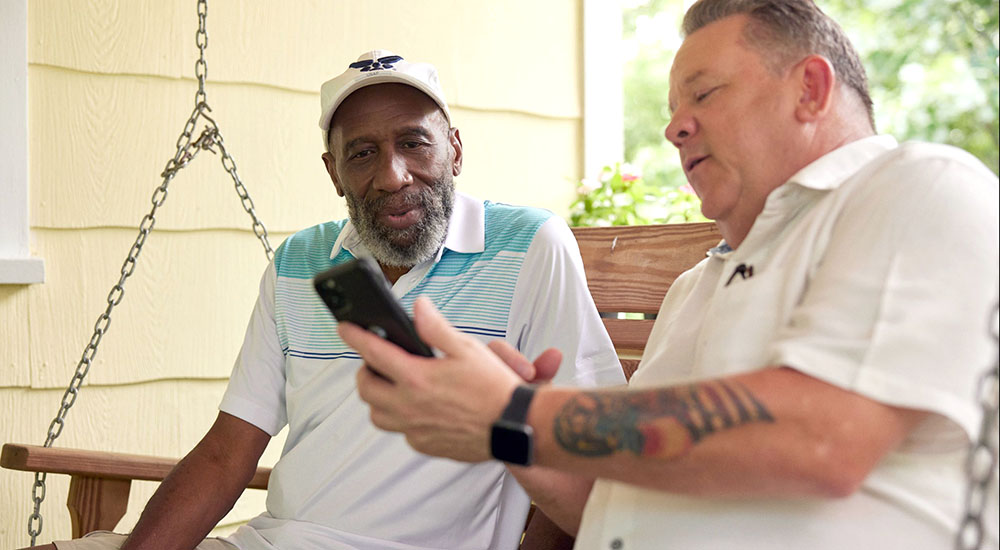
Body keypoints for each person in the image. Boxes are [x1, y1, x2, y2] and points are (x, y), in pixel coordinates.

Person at [344, 2, 1000, 549]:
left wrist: (522, 409)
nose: (672, 127)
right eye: (672, 106)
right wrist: (507, 431)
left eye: (705, 94)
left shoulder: (917, 188)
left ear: (810, 89)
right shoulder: (697, 287)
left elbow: (823, 440)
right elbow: (601, 505)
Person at [43, 50, 625, 550]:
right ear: (334, 172)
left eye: (414, 143)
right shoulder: (301, 263)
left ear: (454, 148)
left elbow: (585, 446)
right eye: (363, 153)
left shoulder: (528, 246)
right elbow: (228, 452)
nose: (394, 175)